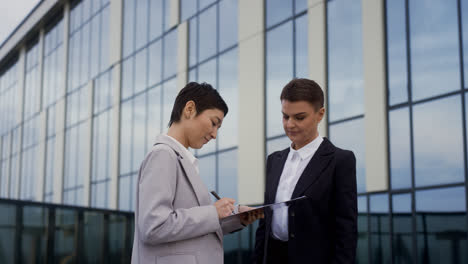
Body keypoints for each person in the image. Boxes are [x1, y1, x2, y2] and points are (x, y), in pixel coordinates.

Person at [132, 82, 261, 264]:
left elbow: (192, 226)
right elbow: (154, 226)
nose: (215, 134)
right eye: (214, 123)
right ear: (190, 109)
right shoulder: (162, 155)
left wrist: (235, 217)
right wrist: (213, 213)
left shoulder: (181, 160)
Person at [253, 78, 357, 264]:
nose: (290, 124)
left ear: (320, 114)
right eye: (285, 116)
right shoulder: (274, 160)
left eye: (299, 117)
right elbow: (265, 222)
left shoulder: (340, 160)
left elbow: (346, 229)